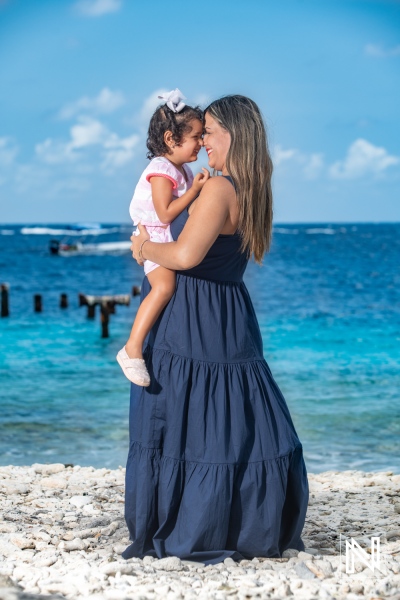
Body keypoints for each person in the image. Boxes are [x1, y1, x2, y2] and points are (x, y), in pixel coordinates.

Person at [124, 94, 309, 564]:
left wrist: (144, 247)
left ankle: (194, 525)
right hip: (229, 314)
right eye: (200, 133)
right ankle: (239, 518)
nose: (203, 141)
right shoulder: (252, 189)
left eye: (209, 132)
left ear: (233, 135)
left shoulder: (220, 188)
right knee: (229, 422)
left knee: (186, 421)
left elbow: (185, 256)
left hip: (192, 315)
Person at [117, 89, 209, 387]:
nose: (201, 143)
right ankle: (132, 347)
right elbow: (165, 213)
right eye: (196, 136)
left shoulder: (180, 168)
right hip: (154, 236)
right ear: (171, 139)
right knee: (164, 287)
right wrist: (195, 192)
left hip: (165, 238)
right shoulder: (161, 170)